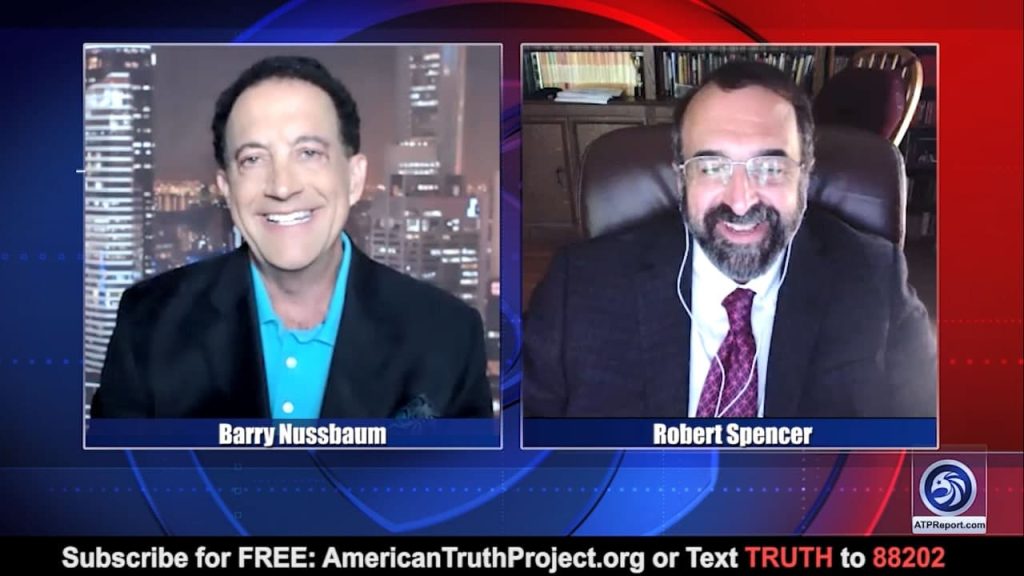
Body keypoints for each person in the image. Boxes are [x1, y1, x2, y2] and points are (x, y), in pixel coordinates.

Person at [523, 60, 936, 418]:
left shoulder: (875, 283)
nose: (740, 201)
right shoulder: (579, 285)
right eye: (711, 167)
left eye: (770, 168)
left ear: (804, 176)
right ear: (682, 178)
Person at [92, 56, 493, 419]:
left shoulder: (448, 336)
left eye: (309, 153)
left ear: (354, 178)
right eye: (253, 159)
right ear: (227, 189)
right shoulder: (149, 324)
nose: (282, 187)